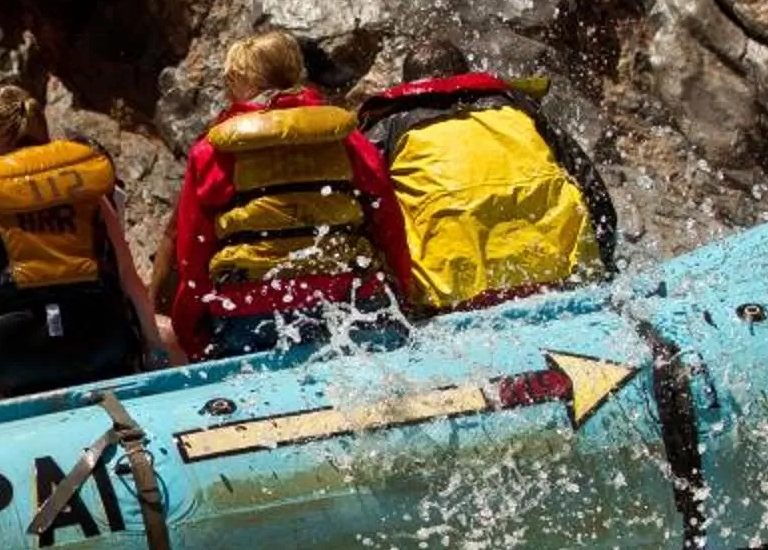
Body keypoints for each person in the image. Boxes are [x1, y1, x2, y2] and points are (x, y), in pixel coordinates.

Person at [163, 29, 413, 360]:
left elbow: (193, 258)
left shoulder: (212, 152)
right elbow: (389, 226)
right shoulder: (347, 140)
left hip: (251, 315)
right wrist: (405, 292)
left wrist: (189, 331)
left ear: (239, 83)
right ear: (296, 71)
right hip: (350, 302)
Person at [0, 83, 172, 400]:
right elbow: (128, 277)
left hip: (17, 355)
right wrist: (155, 352)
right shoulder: (82, 185)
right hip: (101, 340)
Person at [355, 54, 616, 314]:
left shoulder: (386, 127)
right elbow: (594, 192)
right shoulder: (521, 109)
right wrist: (605, 266)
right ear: (467, 75)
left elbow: (362, 214)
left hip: (450, 298)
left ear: (407, 85)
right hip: (561, 277)